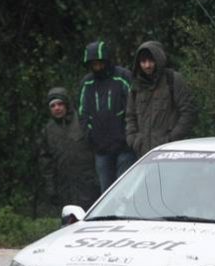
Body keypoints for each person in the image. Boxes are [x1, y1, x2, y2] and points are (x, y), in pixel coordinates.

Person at [78, 39, 135, 192]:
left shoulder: (123, 76)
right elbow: (83, 113)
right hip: (101, 149)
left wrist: (130, 135)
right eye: (93, 64)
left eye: (100, 63)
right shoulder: (87, 83)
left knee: (126, 190)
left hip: (125, 147)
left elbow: (134, 107)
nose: (97, 67)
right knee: (106, 193)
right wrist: (89, 136)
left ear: (106, 61)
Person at [125, 41, 196, 157]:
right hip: (144, 154)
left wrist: (171, 139)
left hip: (170, 152)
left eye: (151, 61)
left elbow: (188, 112)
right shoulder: (136, 85)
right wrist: (133, 139)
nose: (147, 65)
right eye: (143, 62)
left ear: (158, 60)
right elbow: (130, 115)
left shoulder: (173, 79)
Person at [39, 87, 99, 211]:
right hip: (63, 187)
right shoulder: (48, 130)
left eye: (60, 104)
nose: (57, 108)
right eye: (53, 106)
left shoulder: (83, 121)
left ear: (67, 104)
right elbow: (46, 162)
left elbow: (97, 148)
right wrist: (50, 187)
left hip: (88, 183)